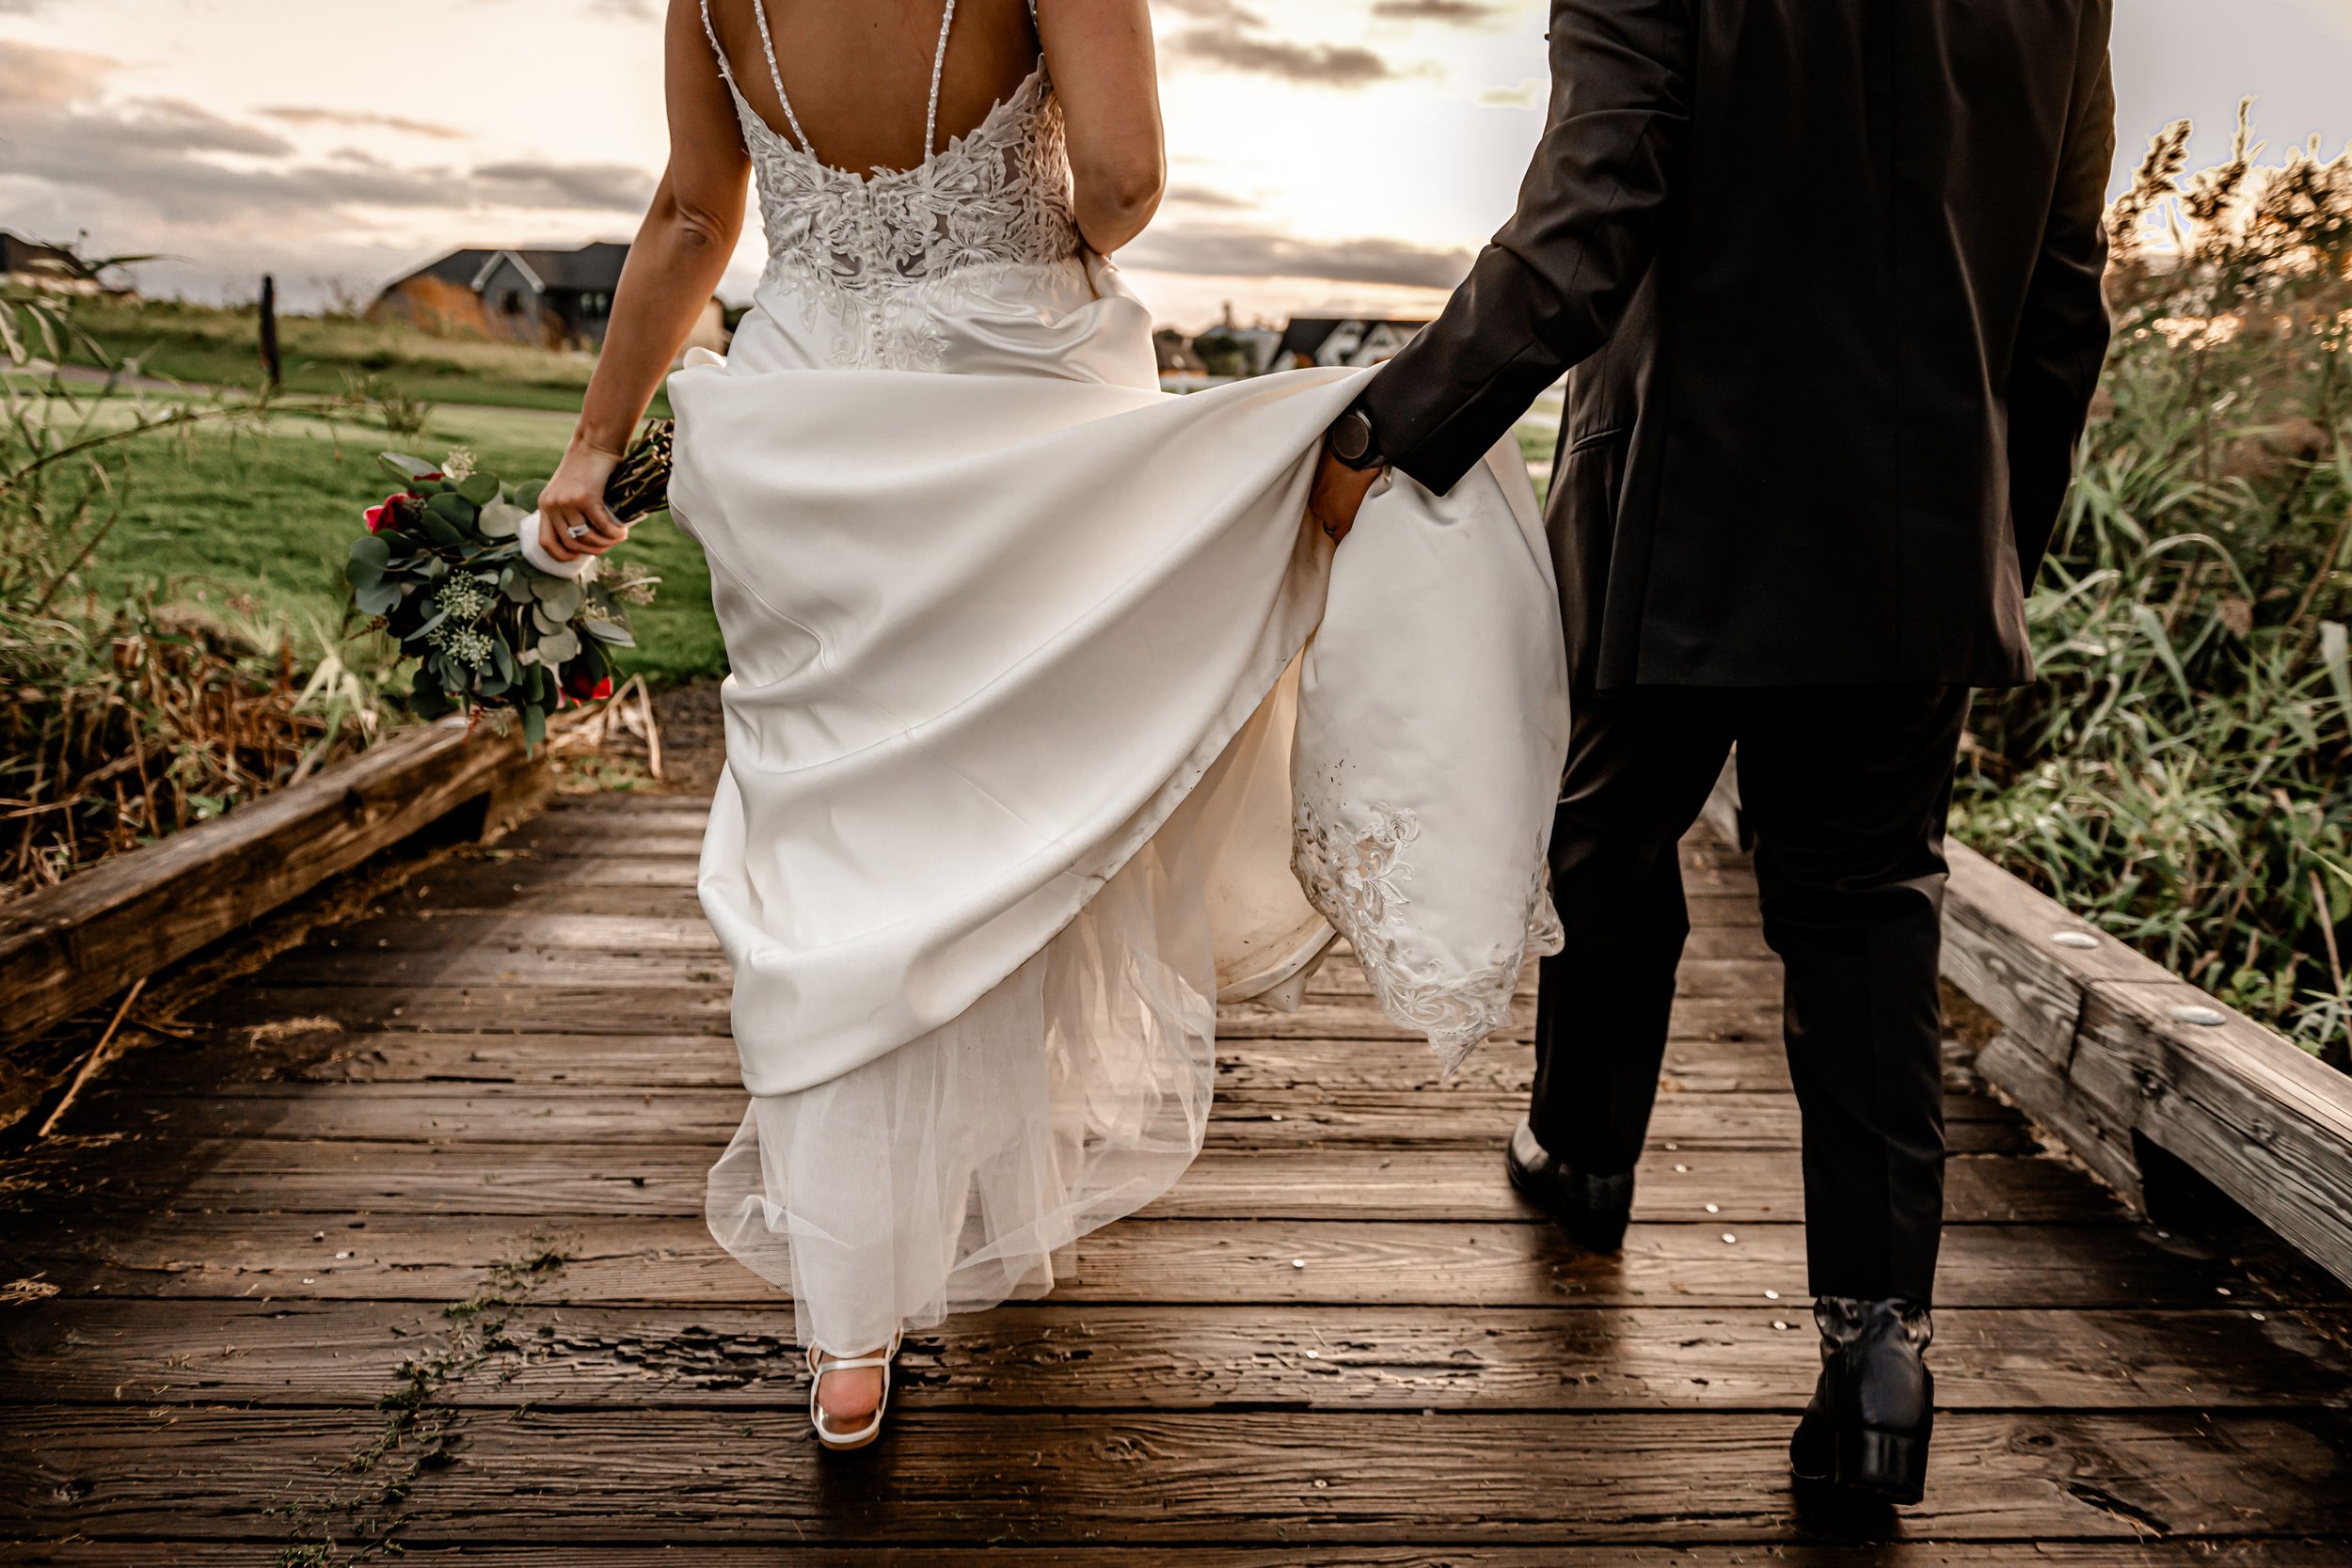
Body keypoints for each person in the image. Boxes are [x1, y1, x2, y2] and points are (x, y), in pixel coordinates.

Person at [536, 0, 1570, 1450]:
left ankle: (846, 1329)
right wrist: (1039, 236)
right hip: (1014, 382)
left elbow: (691, 214)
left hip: (807, 423)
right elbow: (1127, 181)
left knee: (834, 832)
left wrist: (597, 440)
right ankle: (982, 1158)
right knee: (1027, 781)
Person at [1310, 0, 2117, 1505]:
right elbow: (2063, 289)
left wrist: (1386, 428)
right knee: (1868, 902)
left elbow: (1584, 221)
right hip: (1918, 528)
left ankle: (1585, 1155)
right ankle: (1879, 1347)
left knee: (1607, 825)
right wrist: (1998, 543)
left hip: (1681, 511)